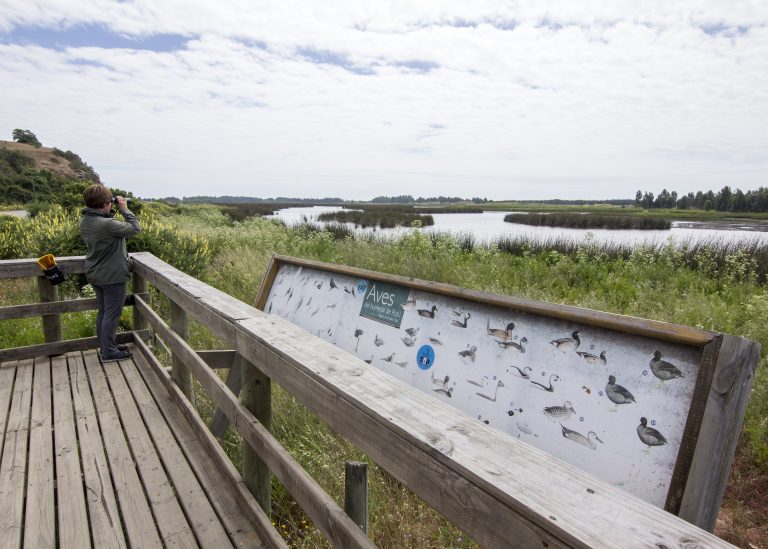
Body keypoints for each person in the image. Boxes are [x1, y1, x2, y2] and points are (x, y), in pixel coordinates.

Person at [79, 184, 141, 362]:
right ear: (106, 203)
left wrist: (109, 210)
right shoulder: (107, 224)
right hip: (112, 276)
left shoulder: (87, 221)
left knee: (104, 312)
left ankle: (107, 346)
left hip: (95, 273)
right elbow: (135, 228)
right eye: (110, 202)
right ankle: (109, 352)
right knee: (112, 314)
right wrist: (124, 210)